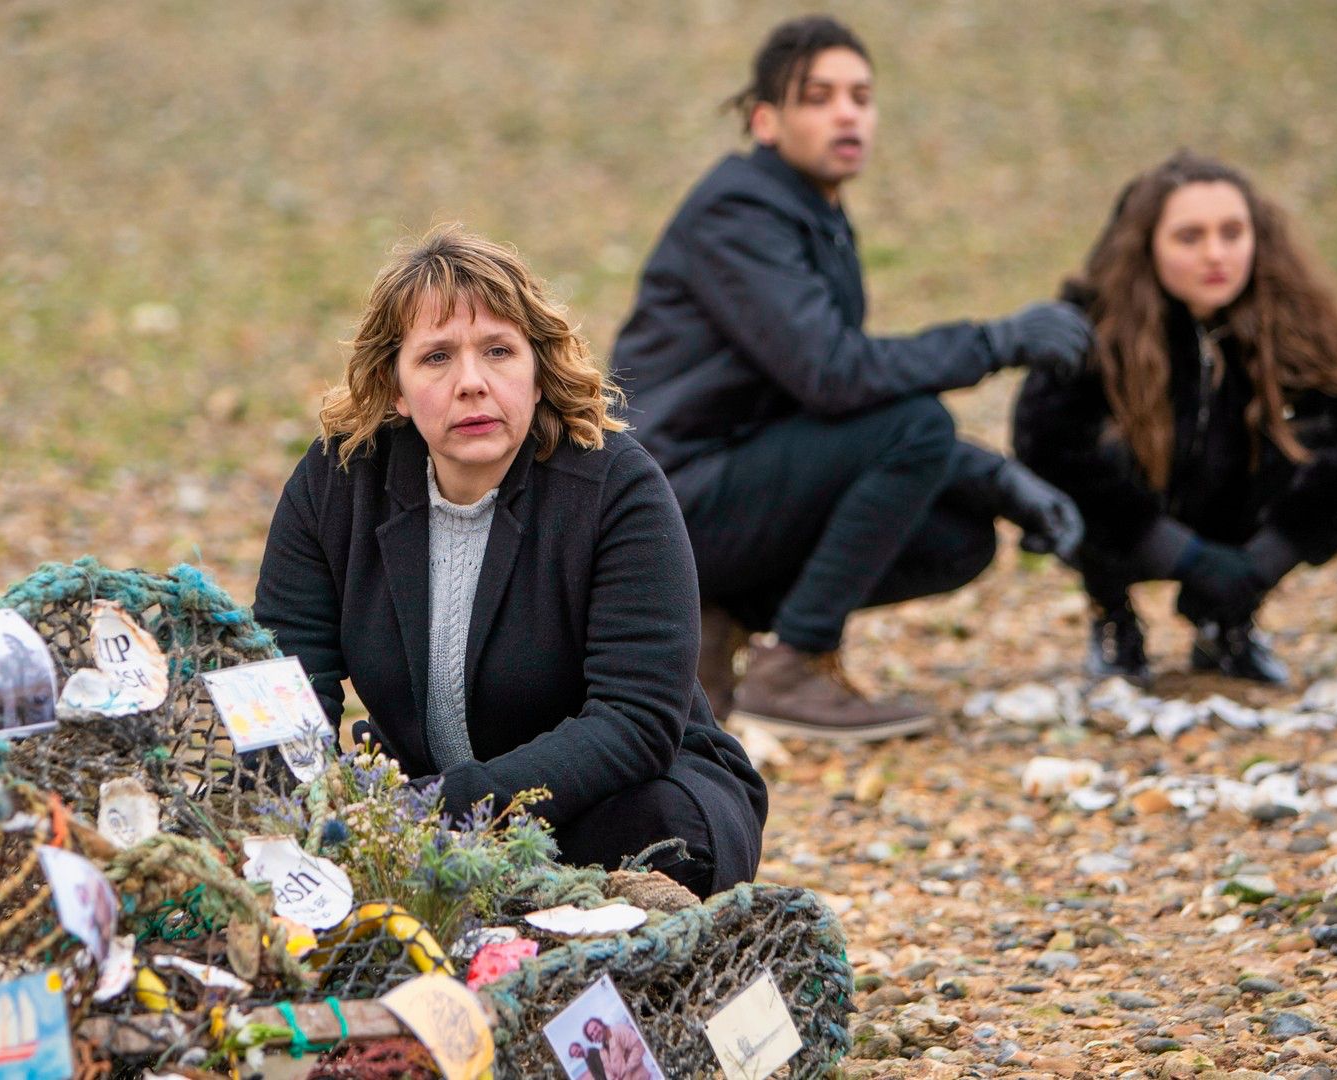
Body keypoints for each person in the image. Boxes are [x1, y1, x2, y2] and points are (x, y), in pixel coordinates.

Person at [611, 15, 1089, 741]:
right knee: (917, 424)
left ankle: (719, 620)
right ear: (765, 120)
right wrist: (1000, 340)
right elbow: (835, 375)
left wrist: (996, 481)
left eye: (861, 96)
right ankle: (792, 666)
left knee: (958, 535)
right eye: (820, 96)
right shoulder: (739, 213)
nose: (847, 112)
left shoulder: (811, 213)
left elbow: (830, 400)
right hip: (662, 503)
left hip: (727, 486)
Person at [253, 226, 767, 897]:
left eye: (498, 351)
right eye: (436, 357)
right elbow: (286, 687)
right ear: (396, 388)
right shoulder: (338, 483)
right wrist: (287, 815)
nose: (472, 383)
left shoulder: (617, 487)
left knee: (658, 836)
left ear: (537, 368)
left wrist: (445, 810)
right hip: (421, 811)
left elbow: (635, 720)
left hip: (621, 800)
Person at [1013, 152, 1337, 686]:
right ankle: (1113, 616)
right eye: (1190, 237)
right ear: (1148, 244)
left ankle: (1228, 620)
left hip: (1234, 519)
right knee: (1083, 461)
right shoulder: (1091, 328)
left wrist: (1263, 562)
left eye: (1232, 233)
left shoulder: (1287, 319)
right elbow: (1045, 446)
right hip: (1135, 521)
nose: (1216, 254)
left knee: (1312, 437)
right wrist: (1185, 557)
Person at [583, 1016, 653, 1080]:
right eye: (591, 1034)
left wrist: (627, 1069)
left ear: (601, 1024)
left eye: (595, 1028)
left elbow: (639, 1046)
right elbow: (608, 1072)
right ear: (591, 1039)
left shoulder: (618, 1030)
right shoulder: (602, 1052)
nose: (595, 1033)